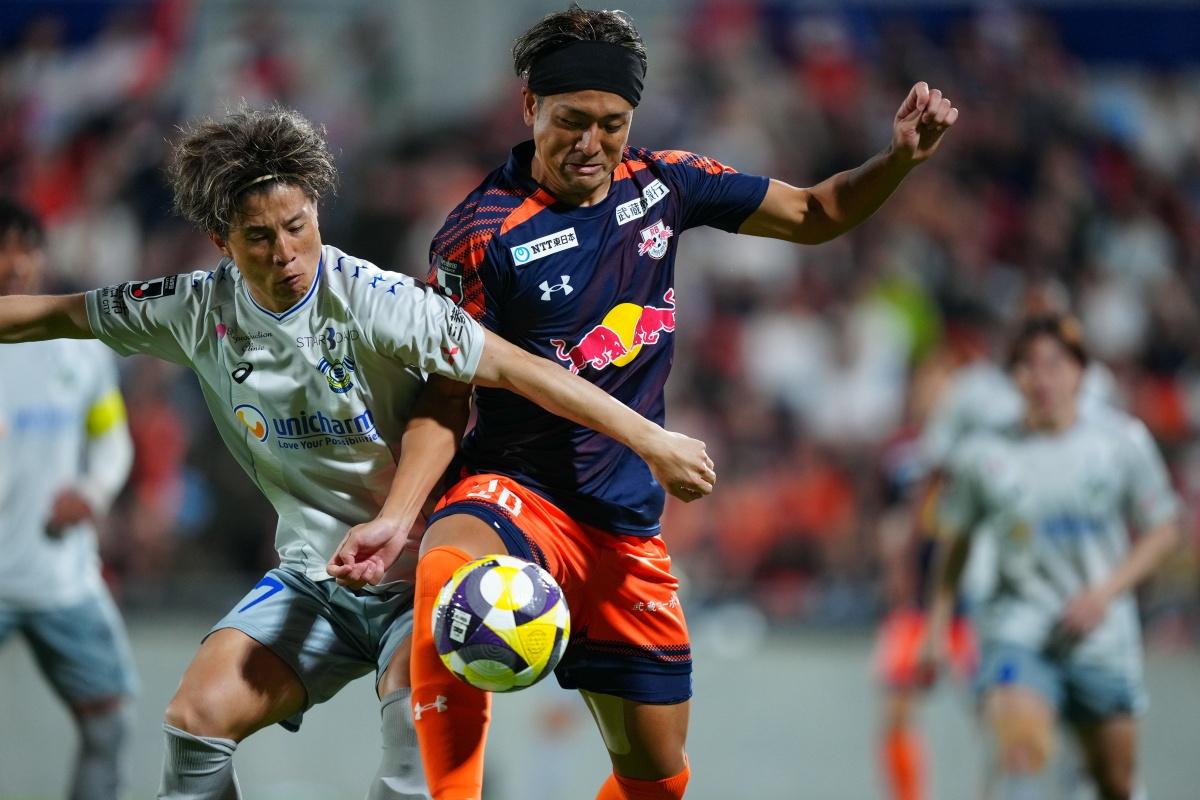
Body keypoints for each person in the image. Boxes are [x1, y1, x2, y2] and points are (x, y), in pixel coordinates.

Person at [330, 7, 959, 799]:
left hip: (623, 526)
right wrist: (399, 515)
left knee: (659, 780)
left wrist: (897, 161)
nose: (590, 144)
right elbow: (446, 395)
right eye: (571, 121)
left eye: (612, 123)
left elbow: (814, 213)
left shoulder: (665, 184)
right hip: (515, 494)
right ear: (530, 107)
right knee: (451, 578)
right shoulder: (479, 233)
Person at [0, 105, 715, 800]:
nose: (285, 253)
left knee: (414, 763)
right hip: (316, 579)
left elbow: (520, 369)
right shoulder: (191, 307)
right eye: (258, 237)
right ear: (221, 241)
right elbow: (50, 313)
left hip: (423, 580)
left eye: (296, 226)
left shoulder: (377, 301)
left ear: (315, 210)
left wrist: (651, 439)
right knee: (194, 722)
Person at [923, 314, 1180, 799]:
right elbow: (955, 543)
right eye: (1027, 365)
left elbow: (1163, 529)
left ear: (1081, 372)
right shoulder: (983, 454)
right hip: (1019, 627)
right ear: (1012, 377)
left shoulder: (1121, 443)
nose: (1040, 378)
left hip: (1100, 637)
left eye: (1054, 365)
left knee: (1115, 781)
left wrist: (1104, 594)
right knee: (1018, 754)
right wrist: (936, 628)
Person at [874, 305, 1121, 800]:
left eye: (941, 376)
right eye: (926, 378)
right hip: (929, 596)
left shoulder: (1003, 445)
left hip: (984, 593)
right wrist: (902, 570)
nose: (932, 388)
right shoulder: (908, 453)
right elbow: (905, 523)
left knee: (1001, 718)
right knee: (901, 704)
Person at [0, 199, 136, 800]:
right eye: (3, 250)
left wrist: (93, 491)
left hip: (62, 578)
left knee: (110, 723)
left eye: (26, 249)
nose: (15, 264)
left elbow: (111, 438)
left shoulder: (77, 347)